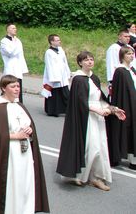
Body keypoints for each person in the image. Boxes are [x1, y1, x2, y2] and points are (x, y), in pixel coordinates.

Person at [0, 75, 49, 214]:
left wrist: (30, 129)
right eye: (13, 87)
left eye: (18, 86)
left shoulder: (20, 106)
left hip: (25, 153)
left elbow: (28, 124)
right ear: (3, 88)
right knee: (12, 183)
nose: (17, 89)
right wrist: (15, 136)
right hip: (10, 154)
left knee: (25, 182)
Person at [56, 51, 126, 191]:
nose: (89, 62)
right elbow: (80, 101)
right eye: (86, 60)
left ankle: (95, 177)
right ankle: (80, 176)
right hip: (85, 118)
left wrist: (113, 109)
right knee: (91, 148)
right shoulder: (78, 79)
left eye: (91, 59)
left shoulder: (94, 78)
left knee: (100, 148)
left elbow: (101, 98)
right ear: (80, 62)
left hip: (98, 118)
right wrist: (97, 110)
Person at [106, 46, 136, 169]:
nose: (131, 55)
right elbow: (118, 92)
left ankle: (133, 158)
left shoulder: (132, 69)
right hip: (126, 105)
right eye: (128, 53)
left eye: (132, 53)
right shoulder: (120, 71)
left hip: (133, 103)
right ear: (122, 55)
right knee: (127, 130)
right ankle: (124, 157)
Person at [42, 34, 70, 117]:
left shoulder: (61, 50)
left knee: (65, 93)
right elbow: (49, 65)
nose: (59, 41)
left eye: (59, 40)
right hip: (54, 77)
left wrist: (67, 73)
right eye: (57, 40)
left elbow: (65, 62)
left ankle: (68, 109)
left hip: (62, 76)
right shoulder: (49, 52)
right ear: (52, 42)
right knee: (55, 94)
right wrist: (54, 77)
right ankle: (53, 110)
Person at [0, 24, 29, 103]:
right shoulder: (4, 41)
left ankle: (18, 102)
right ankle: (6, 101)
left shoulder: (17, 40)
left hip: (18, 67)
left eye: (15, 28)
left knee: (17, 86)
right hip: (10, 67)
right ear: (8, 30)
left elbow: (21, 55)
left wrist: (23, 68)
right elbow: (10, 52)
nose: (15, 29)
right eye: (12, 28)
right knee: (10, 85)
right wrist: (15, 43)